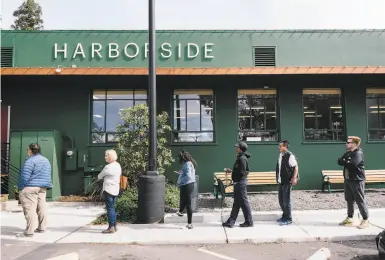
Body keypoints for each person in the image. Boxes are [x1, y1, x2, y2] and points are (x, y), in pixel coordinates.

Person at [17, 143, 52, 237]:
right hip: (42, 187)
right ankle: (42, 227)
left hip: (30, 188)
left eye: (28, 149)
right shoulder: (46, 160)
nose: (27, 151)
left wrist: (20, 187)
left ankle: (29, 231)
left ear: (30, 150)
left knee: (30, 209)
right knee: (42, 207)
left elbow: (25, 176)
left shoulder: (30, 161)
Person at [338, 136, 369, 229]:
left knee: (359, 200)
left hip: (357, 180)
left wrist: (345, 161)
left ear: (354, 144)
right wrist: (345, 161)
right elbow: (339, 161)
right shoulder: (348, 153)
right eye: (347, 142)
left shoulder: (358, 153)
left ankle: (365, 219)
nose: (346, 144)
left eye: (348, 142)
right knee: (349, 199)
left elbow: (352, 165)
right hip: (348, 179)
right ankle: (350, 218)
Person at [222, 142, 253, 228]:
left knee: (244, 203)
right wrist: (232, 171)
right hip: (239, 183)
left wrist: (236, 178)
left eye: (237, 147)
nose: (236, 148)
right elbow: (240, 170)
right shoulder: (241, 157)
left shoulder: (242, 158)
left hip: (240, 183)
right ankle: (231, 222)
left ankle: (249, 222)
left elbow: (242, 172)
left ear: (240, 149)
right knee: (237, 203)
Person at [98, 149, 122, 234]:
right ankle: (114, 226)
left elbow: (100, 176)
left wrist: (100, 176)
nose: (105, 157)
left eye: (106, 156)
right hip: (115, 189)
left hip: (108, 190)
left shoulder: (108, 167)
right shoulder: (118, 165)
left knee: (110, 208)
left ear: (110, 157)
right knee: (112, 207)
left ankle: (111, 227)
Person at [276, 140, 298, 226]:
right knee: (281, 200)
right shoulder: (281, 155)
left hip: (287, 181)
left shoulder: (290, 156)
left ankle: (288, 218)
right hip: (281, 181)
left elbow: (296, 167)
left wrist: (294, 178)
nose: (279, 147)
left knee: (286, 201)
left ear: (285, 147)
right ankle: (284, 216)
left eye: (280, 146)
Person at [175, 150, 197, 229]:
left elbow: (188, 176)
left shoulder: (187, 164)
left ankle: (190, 224)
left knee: (188, 204)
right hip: (188, 185)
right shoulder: (189, 163)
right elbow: (187, 173)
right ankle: (180, 212)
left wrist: (180, 181)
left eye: (180, 158)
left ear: (183, 157)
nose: (179, 160)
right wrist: (182, 172)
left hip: (187, 185)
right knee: (185, 201)